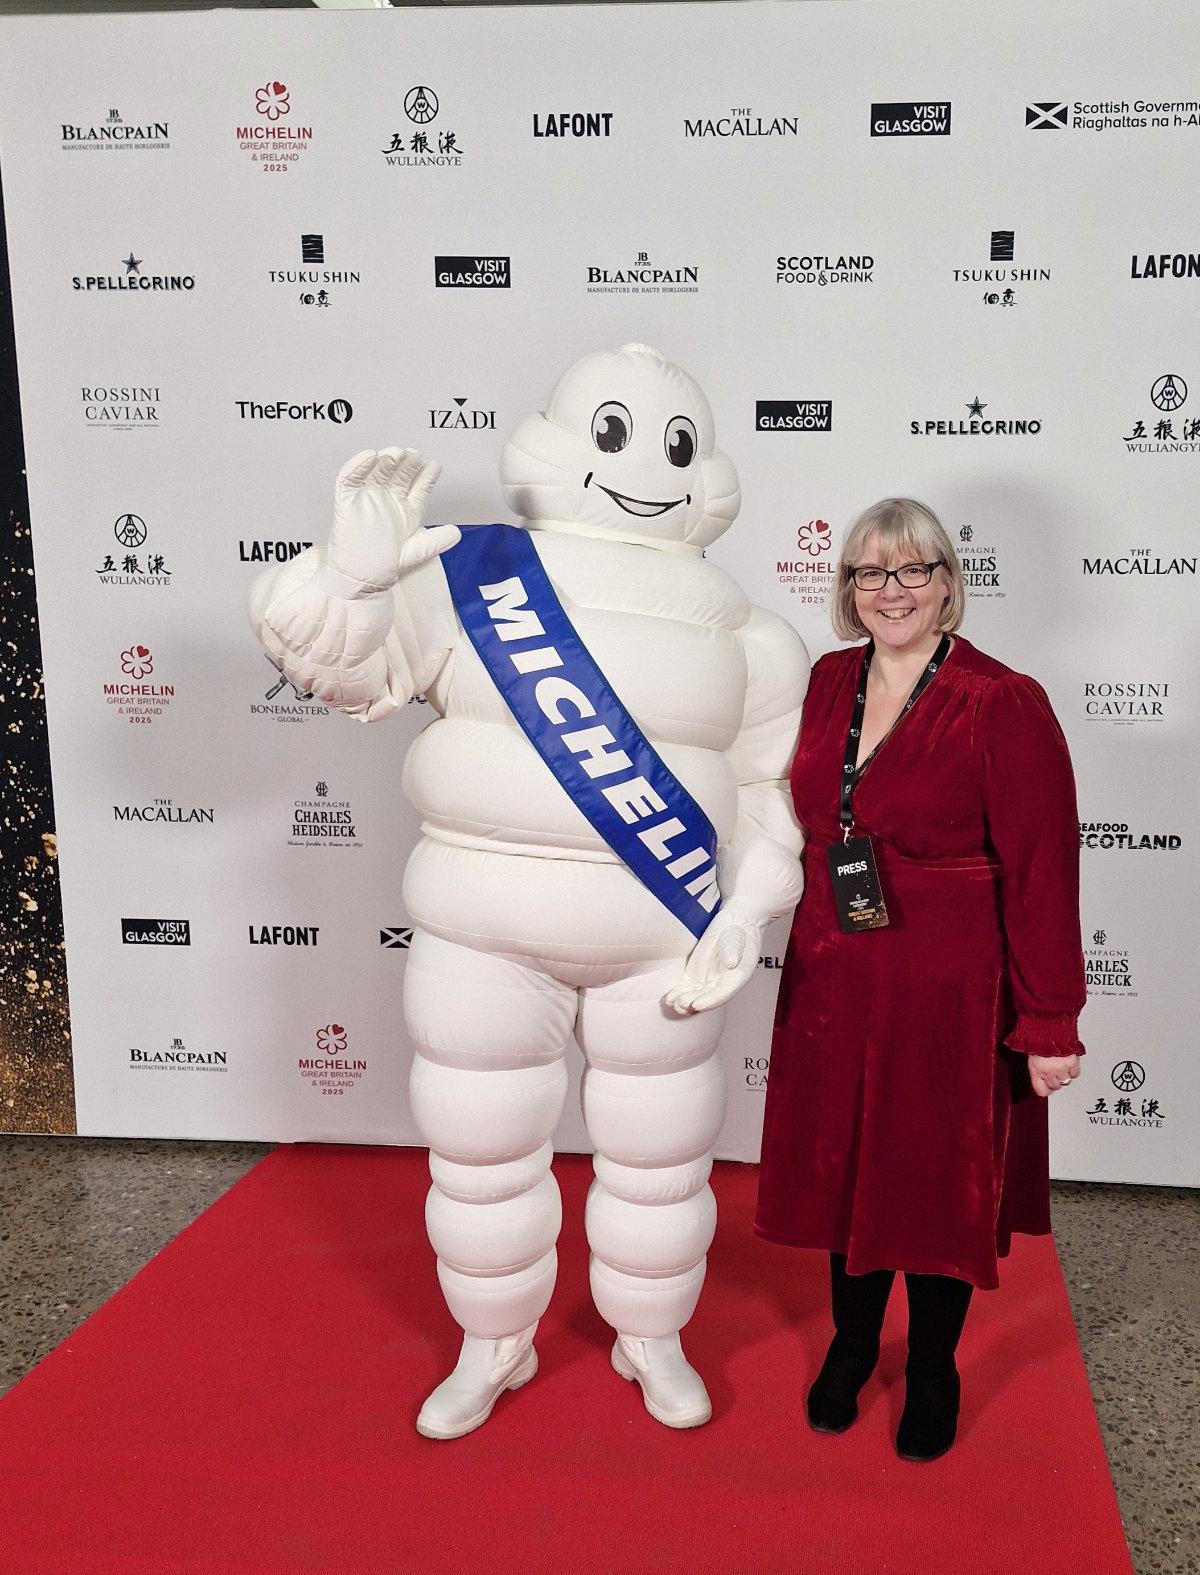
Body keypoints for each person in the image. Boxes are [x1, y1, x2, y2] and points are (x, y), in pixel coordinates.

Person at [250, 344, 809, 1439]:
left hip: (665, 944)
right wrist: (353, 577)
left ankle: (653, 1336)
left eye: (674, 443)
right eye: (615, 434)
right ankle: (491, 1342)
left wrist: (746, 908)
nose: (647, 462)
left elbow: (764, 792)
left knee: (663, 1163)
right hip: (483, 935)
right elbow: (338, 667)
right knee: (479, 1153)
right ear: (559, 445)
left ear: (708, 472)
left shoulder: (753, 636)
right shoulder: (472, 576)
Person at [755, 498, 1085, 1461]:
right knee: (843, 1167)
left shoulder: (1001, 698)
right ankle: (853, 1346)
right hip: (834, 974)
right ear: (846, 589)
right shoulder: (825, 682)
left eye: (911, 571)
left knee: (938, 1178)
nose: (890, 591)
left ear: (948, 582)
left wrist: (1051, 1020)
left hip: (951, 986)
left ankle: (933, 1365)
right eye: (869, 573)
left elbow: (1041, 865)